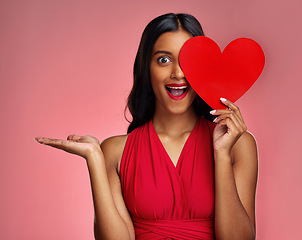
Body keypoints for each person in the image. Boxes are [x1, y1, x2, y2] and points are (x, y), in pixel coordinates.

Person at [35, 13, 258, 240]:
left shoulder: (238, 145)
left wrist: (220, 154)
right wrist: (94, 158)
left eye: (188, 60)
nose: (178, 73)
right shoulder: (115, 151)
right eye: (164, 59)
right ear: (146, 67)